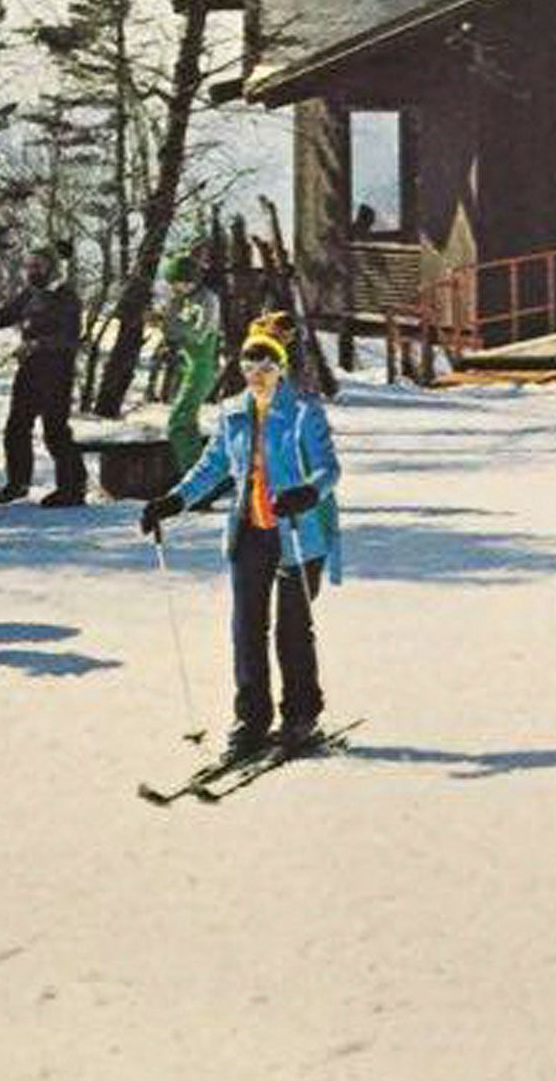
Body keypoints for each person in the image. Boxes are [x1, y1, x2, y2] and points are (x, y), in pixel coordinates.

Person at [139, 324, 343, 760]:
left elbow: (328, 470)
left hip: (297, 534)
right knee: (247, 627)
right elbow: (211, 468)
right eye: (249, 362)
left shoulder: (305, 413)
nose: (256, 371)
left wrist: (306, 492)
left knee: (292, 630)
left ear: (280, 368)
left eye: (266, 362)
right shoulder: (233, 413)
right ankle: (251, 718)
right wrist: (173, 500)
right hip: (249, 531)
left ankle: (301, 714)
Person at [0, 246, 87, 506]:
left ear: (51, 268)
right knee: (16, 426)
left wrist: (39, 344)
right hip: (31, 368)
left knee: (55, 430)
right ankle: (18, 482)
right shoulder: (29, 294)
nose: (32, 271)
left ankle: (72, 488)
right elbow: (4, 316)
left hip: (57, 369)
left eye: (38, 266)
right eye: (29, 266)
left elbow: (70, 337)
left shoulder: (65, 296)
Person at [156, 248, 223, 474]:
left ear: (190, 280)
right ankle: (201, 473)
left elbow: (198, 333)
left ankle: (193, 477)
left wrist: (171, 325)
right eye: (171, 283)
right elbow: (171, 330)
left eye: (178, 282)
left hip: (200, 369)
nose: (174, 287)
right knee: (188, 425)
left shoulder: (208, 300)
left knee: (179, 423)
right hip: (187, 368)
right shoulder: (182, 300)